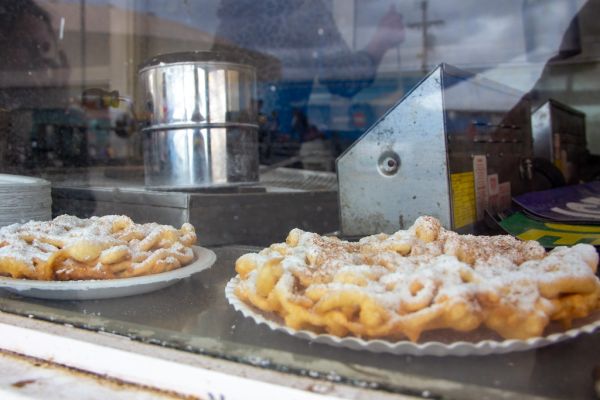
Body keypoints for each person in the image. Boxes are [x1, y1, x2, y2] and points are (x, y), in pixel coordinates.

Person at [212, 0, 405, 164]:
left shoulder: (230, 14)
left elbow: (216, 77)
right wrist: (381, 41)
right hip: (279, 157)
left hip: (226, 156)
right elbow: (344, 80)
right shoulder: (303, 9)